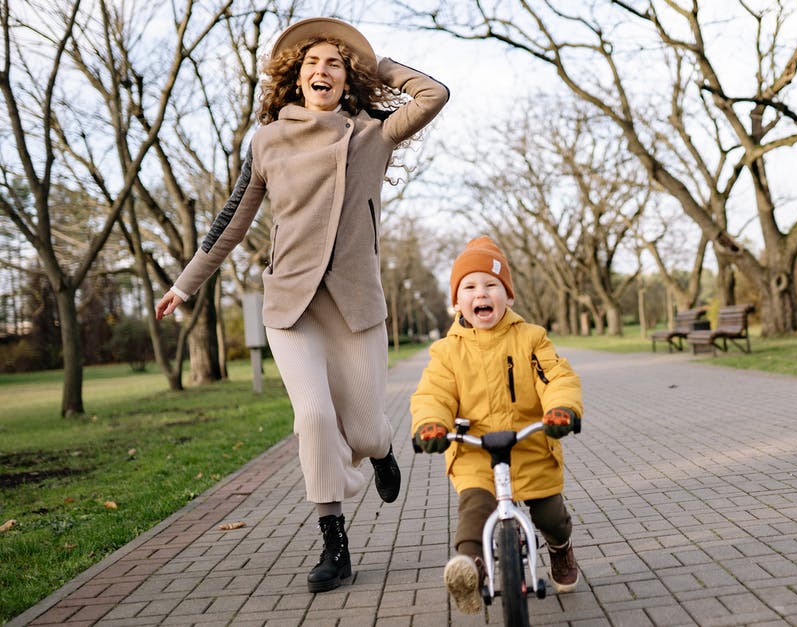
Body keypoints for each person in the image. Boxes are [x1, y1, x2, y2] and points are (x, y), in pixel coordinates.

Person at [155, 17, 449, 593]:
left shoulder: (372, 134)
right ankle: (333, 542)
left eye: (335, 64)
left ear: (347, 80)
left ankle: (380, 450)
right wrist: (185, 284)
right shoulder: (267, 142)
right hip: (291, 302)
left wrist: (375, 62)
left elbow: (434, 94)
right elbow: (232, 221)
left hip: (353, 303)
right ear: (295, 78)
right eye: (313, 63)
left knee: (363, 433)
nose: (323, 70)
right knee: (313, 419)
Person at [410, 236, 583, 614]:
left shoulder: (531, 338)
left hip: (529, 445)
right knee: (474, 508)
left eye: (491, 285)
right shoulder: (447, 352)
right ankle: (469, 569)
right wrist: (430, 425)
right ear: (457, 302)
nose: (481, 293)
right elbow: (432, 394)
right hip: (475, 449)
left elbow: (556, 378)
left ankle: (561, 549)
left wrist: (561, 409)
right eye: (469, 287)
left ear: (509, 297)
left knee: (551, 514)